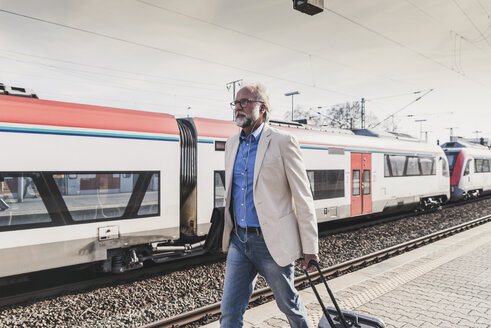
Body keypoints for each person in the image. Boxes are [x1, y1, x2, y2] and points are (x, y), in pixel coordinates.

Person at [220, 83, 319, 328]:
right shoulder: (232, 144)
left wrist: (310, 246)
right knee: (229, 313)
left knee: (289, 305)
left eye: (245, 102)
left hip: (270, 241)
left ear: (262, 108)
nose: (238, 108)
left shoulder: (283, 142)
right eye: (236, 103)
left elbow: (302, 196)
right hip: (239, 240)